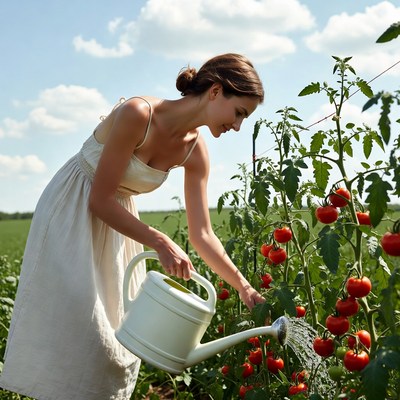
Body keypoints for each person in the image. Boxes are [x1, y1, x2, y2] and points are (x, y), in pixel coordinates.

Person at [0, 53, 265, 399]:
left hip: (119, 223)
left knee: (115, 341)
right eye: (239, 113)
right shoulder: (139, 114)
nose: (238, 126)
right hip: (74, 207)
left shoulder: (195, 151)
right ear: (215, 92)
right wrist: (159, 240)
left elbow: (202, 234)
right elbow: (99, 199)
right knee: (77, 329)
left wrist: (244, 287)